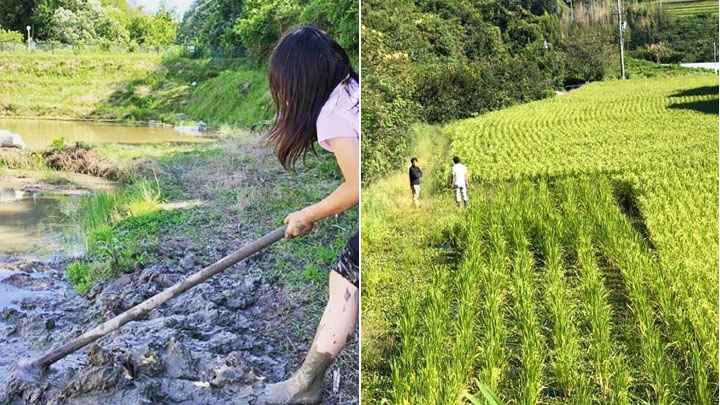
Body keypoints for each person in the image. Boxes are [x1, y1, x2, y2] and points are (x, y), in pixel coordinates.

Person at [260, 26, 359, 404]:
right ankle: (306, 383)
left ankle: (304, 386)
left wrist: (308, 214)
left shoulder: (333, 114)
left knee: (345, 280)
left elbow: (355, 187)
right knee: (346, 277)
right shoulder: (351, 92)